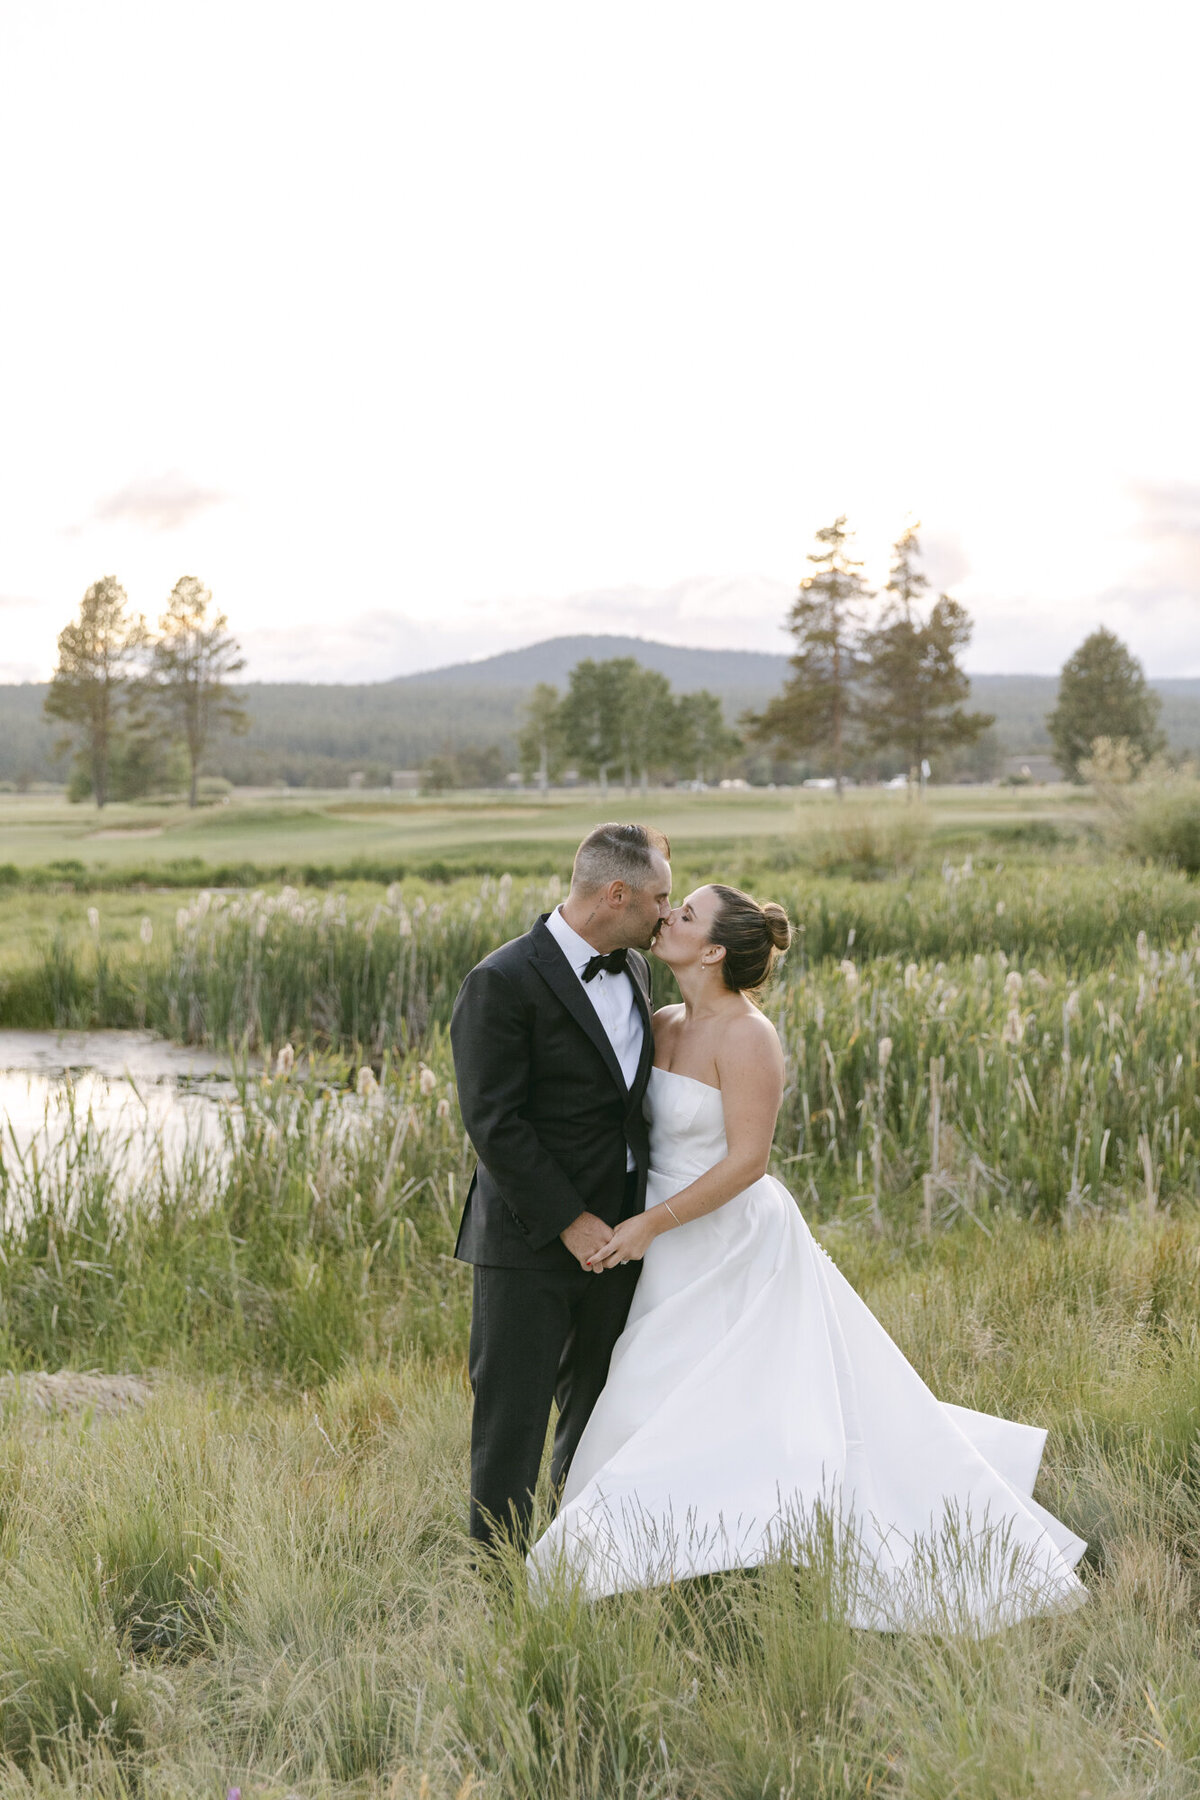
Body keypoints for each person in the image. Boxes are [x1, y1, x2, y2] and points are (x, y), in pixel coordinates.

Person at [527, 884, 1088, 1631]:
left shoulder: (749, 1038)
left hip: (727, 1240)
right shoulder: (660, 1020)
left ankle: (677, 1552)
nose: (667, 918)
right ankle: (648, 1555)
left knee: (700, 1390)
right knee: (658, 1391)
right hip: (659, 1237)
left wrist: (649, 1226)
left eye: (685, 915)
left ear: (716, 950)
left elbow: (747, 1162)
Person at [449, 822, 672, 1549]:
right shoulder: (501, 980)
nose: (667, 914)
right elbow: (495, 1123)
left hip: (624, 1237)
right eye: (659, 899)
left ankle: (577, 1555)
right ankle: (496, 1584)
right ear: (616, 893)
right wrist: (569, 1220)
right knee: (511, 1421)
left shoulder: (634, 967)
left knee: (598, 1409)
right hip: (530, 1239)